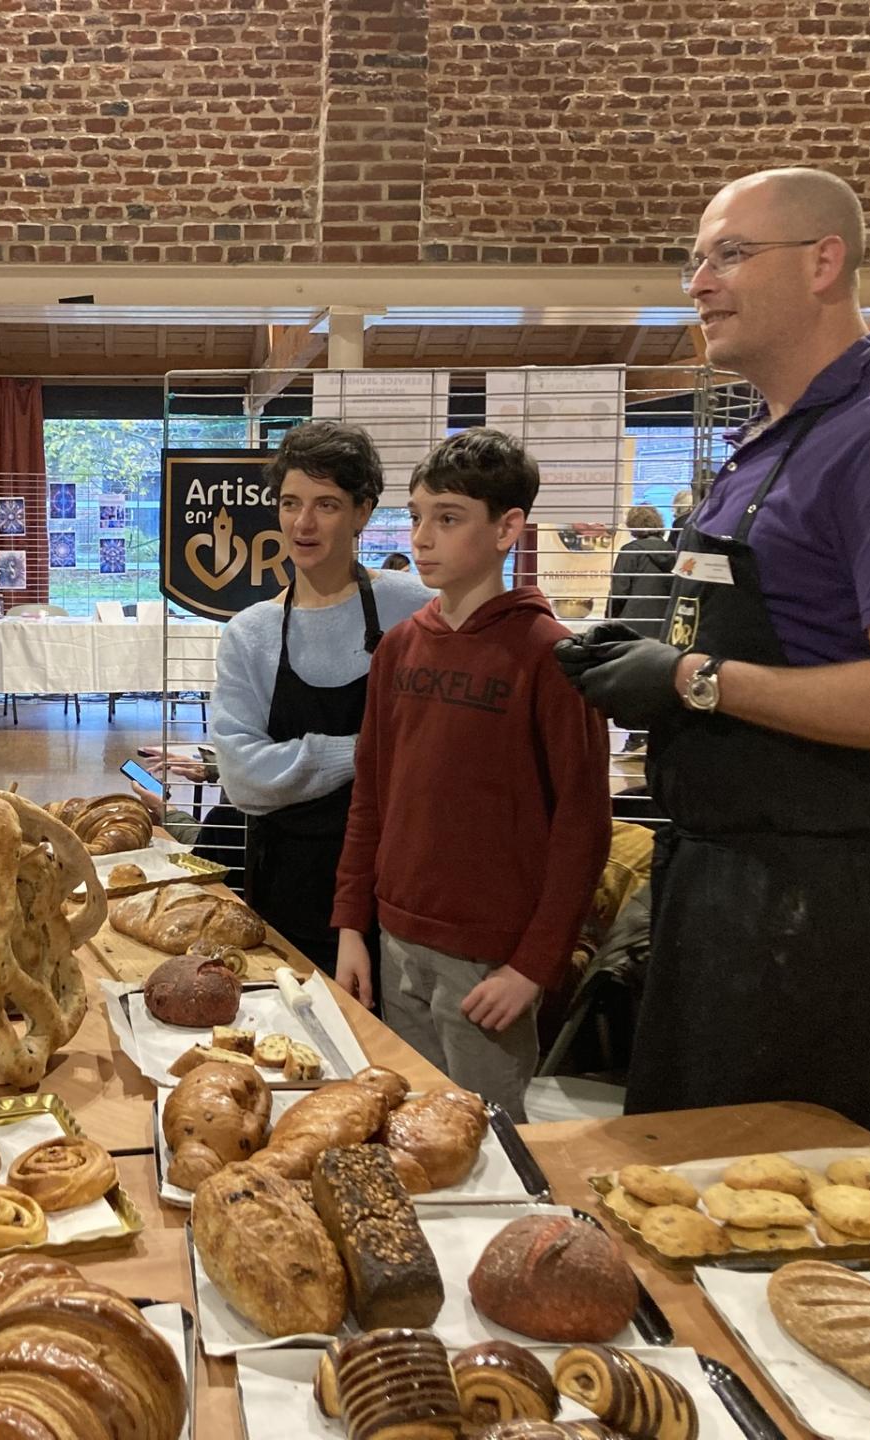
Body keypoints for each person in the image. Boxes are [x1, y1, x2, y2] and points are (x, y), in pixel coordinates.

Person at [555, 168, 870, 1138]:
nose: (699, 283)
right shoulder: (764, 443)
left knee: (766, 1208)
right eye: (696, 260)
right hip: (721, 881)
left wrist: (691, 678)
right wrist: (653, 650)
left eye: (731, 254)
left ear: (825, 262)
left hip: (816, 903)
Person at [331, 429, 611, 1118]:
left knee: (490, 1140)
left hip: (490, 962)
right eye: (417, 516)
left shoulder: (549, 656)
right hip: (397, 944)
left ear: (507, 528)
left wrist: (533, 966)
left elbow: (582, 824)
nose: (422, 537)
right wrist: (350, 926)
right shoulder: (398, 647)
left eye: (448, 518)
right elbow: (372, 795)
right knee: (407, 1126)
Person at [210, 421, 431, 976]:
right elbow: (242, 776)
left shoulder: (416, 609)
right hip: (290, 884)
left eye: (326, 504)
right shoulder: (251, 633)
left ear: (363, 511)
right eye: (290, 503)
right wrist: (365, 753)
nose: (303, 524)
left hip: (403, 881)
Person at [605, 504, 676, 638]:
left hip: (633, 626)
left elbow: (619, 591)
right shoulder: (672, 551)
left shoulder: (631, 551)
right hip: (665, 625)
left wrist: (609, 620)